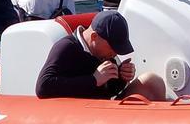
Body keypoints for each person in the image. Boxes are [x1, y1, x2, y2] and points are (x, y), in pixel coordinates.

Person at [36, 10, 166, 100]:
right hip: (78, 114)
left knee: (151, 81)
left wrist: (122, 77)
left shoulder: (104, 53)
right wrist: (93, 80)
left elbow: (110, 91)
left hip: (102, 111)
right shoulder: (67, 47)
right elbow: (43, 87)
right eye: (113, 47)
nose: (114, 53)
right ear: (94, 37)